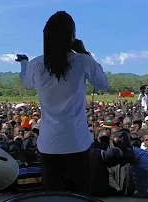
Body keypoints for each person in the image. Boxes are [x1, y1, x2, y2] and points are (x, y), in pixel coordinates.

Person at [15, 11, 108, 194]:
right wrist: (84, 51)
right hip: (77, 143)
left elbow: (27, 84)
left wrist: (24, 63)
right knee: (79, 196)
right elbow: (103, 83)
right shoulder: (82, 61)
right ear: (72, 37)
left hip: (48, 145)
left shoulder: (36, 65)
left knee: (53, 196)